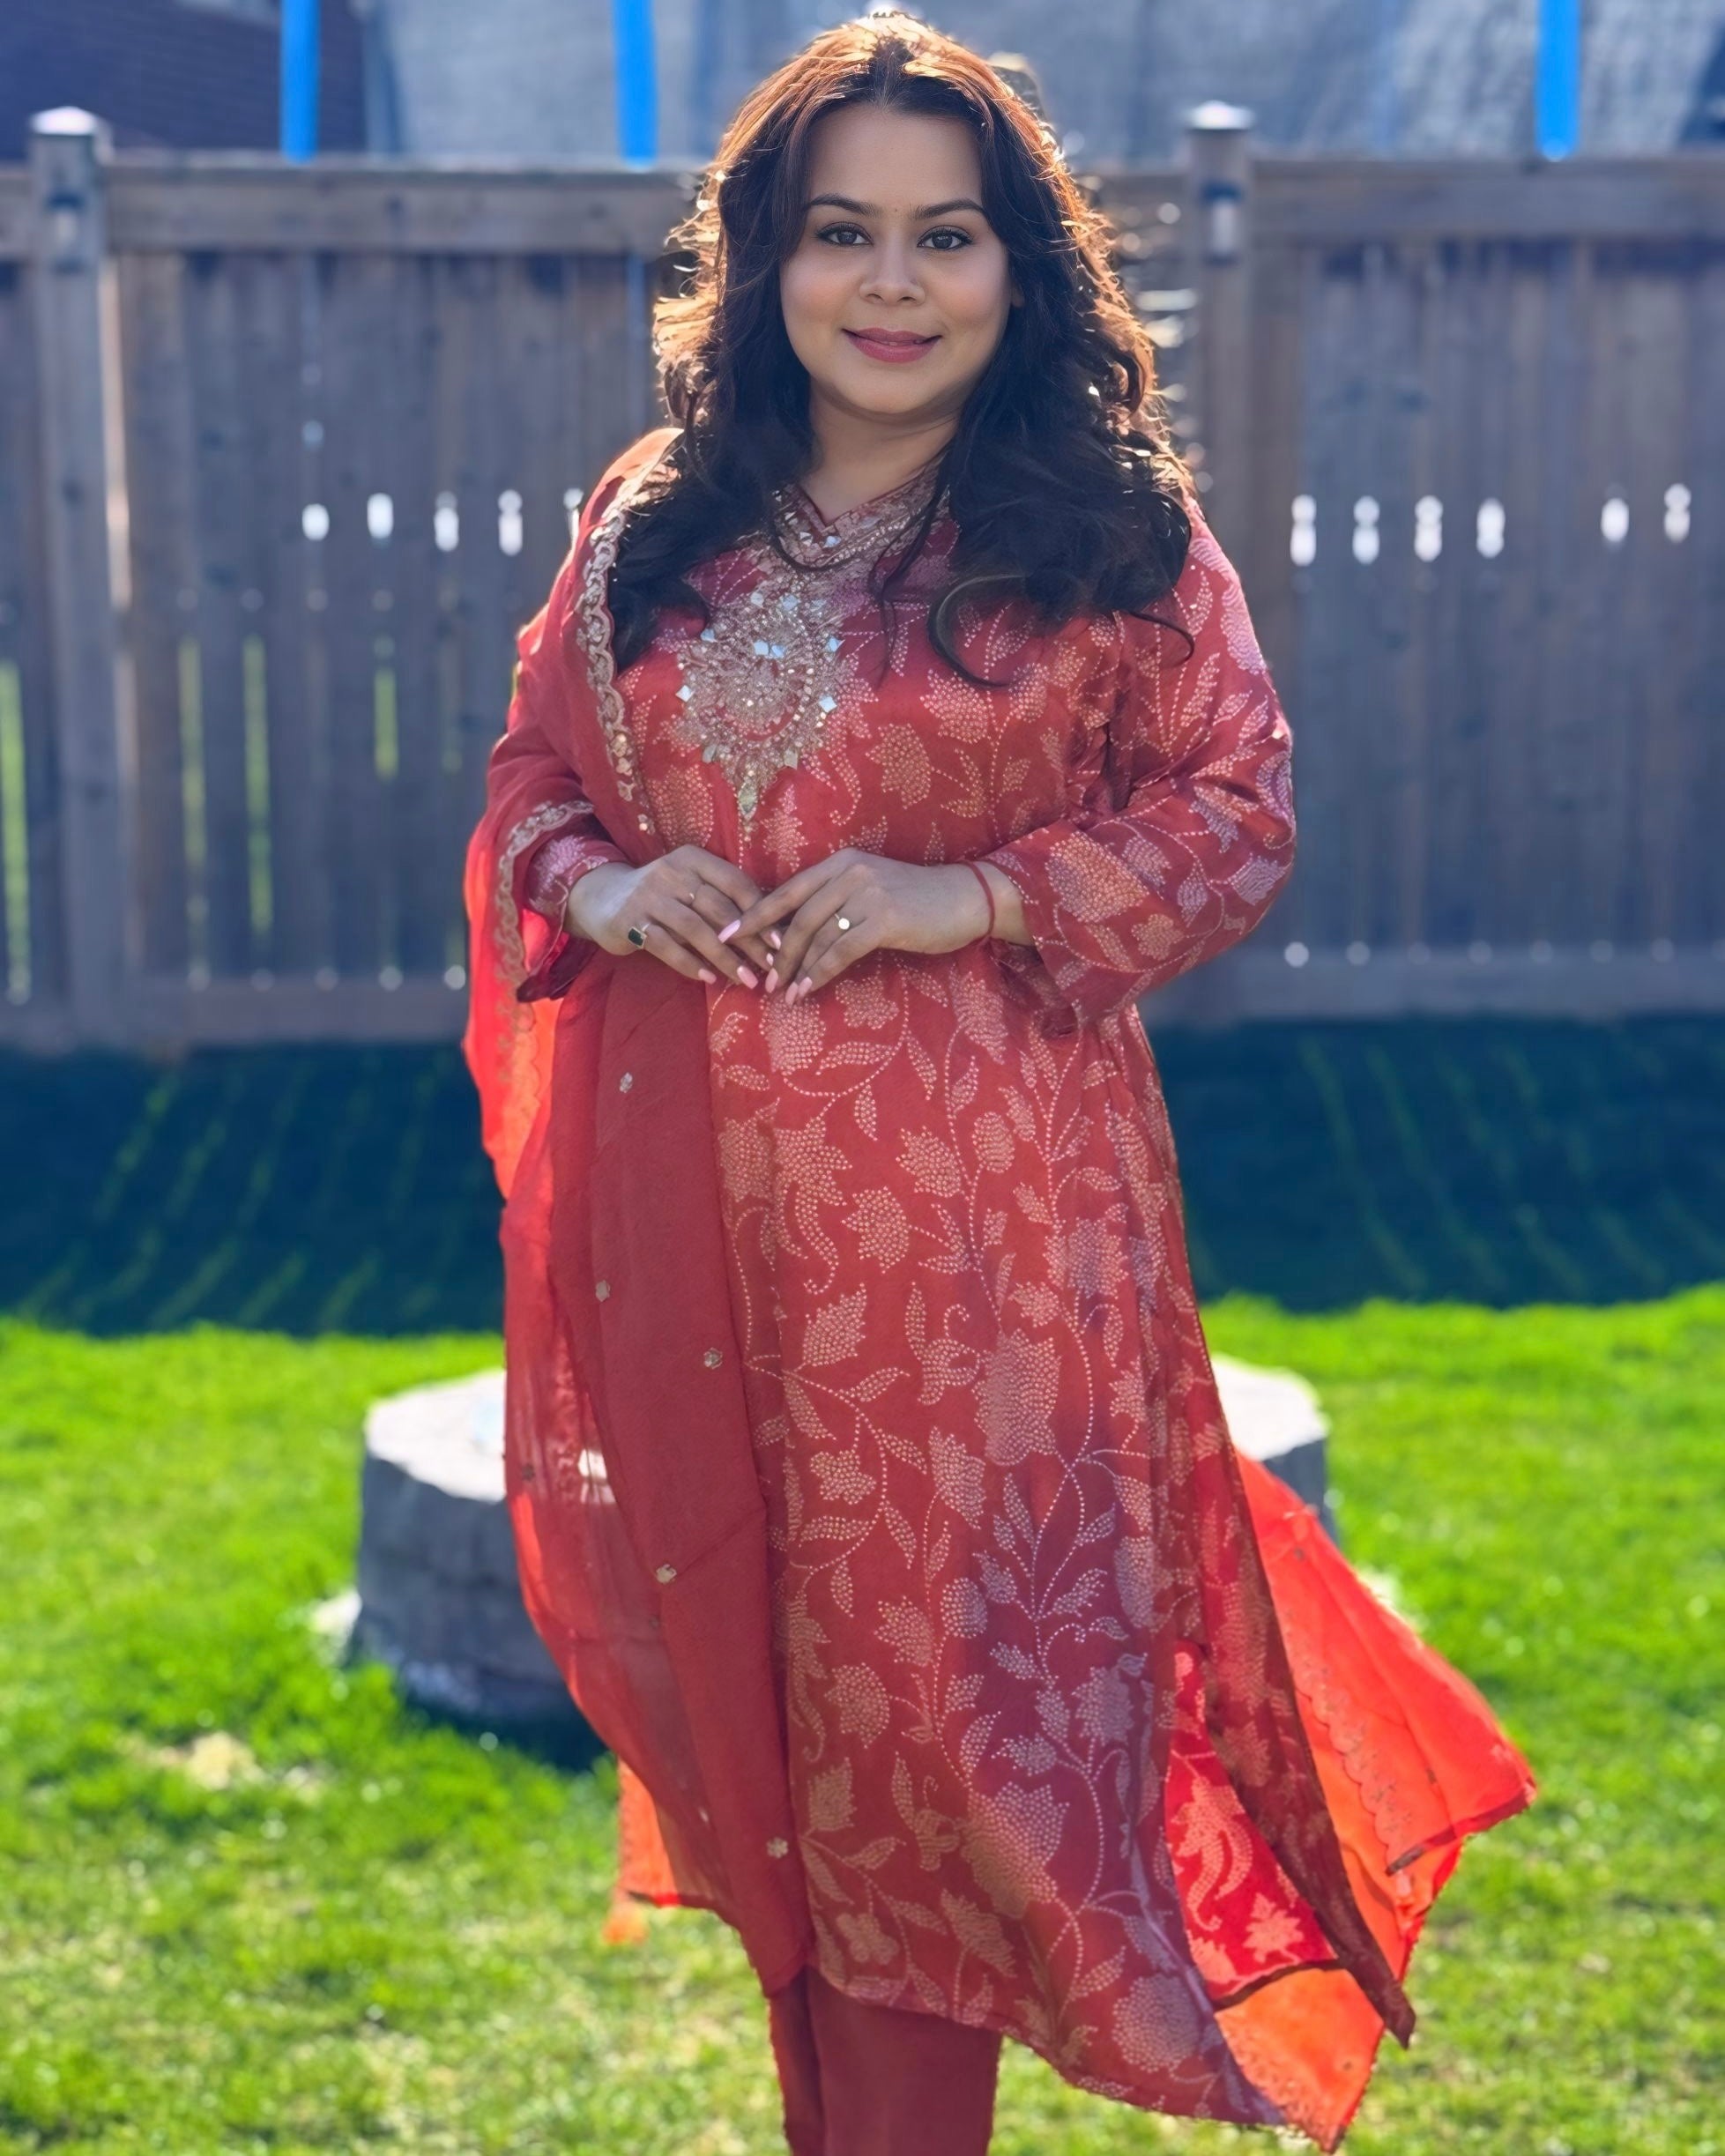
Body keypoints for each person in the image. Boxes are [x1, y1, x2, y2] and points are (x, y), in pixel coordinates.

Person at [461, 12, 1537, 2152]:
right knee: (772, 1742)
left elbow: (1235, 814)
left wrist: (965, 896)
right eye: (838, 231)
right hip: (686, 1237)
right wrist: (610, 877)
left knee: (923, 1757)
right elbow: (526, 781)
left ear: (1017, 266)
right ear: (763, 259)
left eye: (943, 235)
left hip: (970, 1265)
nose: (891, 283)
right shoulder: (655, 516)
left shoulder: (1104, 532)